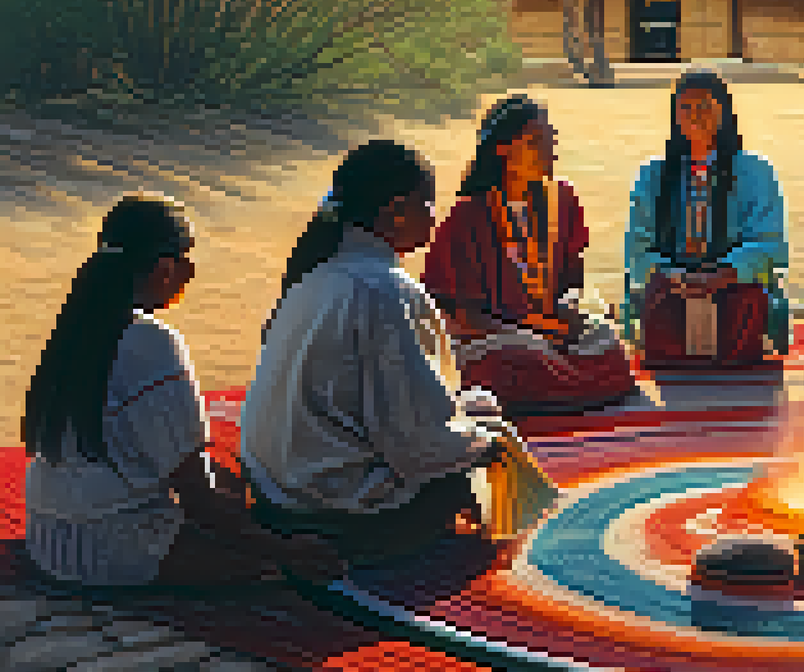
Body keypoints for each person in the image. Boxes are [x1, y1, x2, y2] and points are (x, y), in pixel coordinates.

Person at [24, 194, 343, 587]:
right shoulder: (153, 342)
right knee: (278, 567)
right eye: (186, 260)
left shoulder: (76, 330)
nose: (191, 273)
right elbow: (198, 500)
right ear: (163, 268)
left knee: (231, 481)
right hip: (105, 548)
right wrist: (286, 550)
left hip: (48, 538)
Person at [242, 140, 536, 566]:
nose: (434, 217)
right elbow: (416, 443)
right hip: (330, 512)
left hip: (275, 493)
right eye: (427, 204)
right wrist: (486, 446)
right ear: (397, 211)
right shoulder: (384, 291)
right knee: (484, 450)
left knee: (480, 411)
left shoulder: (318, 273)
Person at [424, 96, 636, 412]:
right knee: (515, 356)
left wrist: (572, 307)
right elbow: (461, 316)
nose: (549, 150)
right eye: (535, 141)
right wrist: (526, 330)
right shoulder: (467, 215)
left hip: (553, 331)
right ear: (502, 149)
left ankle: (554, 384)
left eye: (549, 139)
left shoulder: (563, 201)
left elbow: (573, 283)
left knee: (607, 342)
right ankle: (561, 385)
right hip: (492, 336)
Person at [624, 68, 790, 367]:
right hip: (672, 282)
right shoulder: (653, 174)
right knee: (659, 303)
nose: (694, 116)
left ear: (723, 112)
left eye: (705, 107)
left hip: (732, 281)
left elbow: (770, 243)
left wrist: (721, 275)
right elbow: (637, 246)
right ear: (675, 116)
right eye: (685, 108)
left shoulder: (755, 170)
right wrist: (676, 275)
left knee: (746, 302)